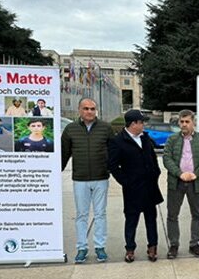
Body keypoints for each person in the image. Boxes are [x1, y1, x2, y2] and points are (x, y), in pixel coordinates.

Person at [61, 98, 113, 264]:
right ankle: (82, 247)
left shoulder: (106, 128)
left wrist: (112, 169)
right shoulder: (71, 129)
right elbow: (64, 153)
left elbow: (114, 151)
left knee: (100, 214)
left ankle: (100, 247)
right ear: (79, 110)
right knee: (82, 215)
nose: (89, 111)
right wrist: (54, 173)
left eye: (92, 109)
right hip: (80, 179)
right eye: (86, 109)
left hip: (101, 178)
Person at [108, 109, 163, 263]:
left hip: (150, 187)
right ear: (133, 124)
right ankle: (130, 249)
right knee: (131, 220)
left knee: (151, 219)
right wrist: (126, 182)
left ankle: (152, 247)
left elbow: (153, 157)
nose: (143, 124)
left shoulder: (145, 138)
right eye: (141, 122)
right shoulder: (118, 141)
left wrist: (156, 172)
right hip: (133, 189)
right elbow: (112, 166)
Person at [163, 109, 199, 259]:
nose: (184, 124)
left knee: (197, 214)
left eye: (187, 122)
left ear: (193, 123)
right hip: (176, 183)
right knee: (172, 215)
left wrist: (195, 173)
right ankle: (174, 245)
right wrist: (180, 174)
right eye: (182, 121)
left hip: (195, 183)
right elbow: (167, 159)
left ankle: (194, 244)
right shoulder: (172, 139)